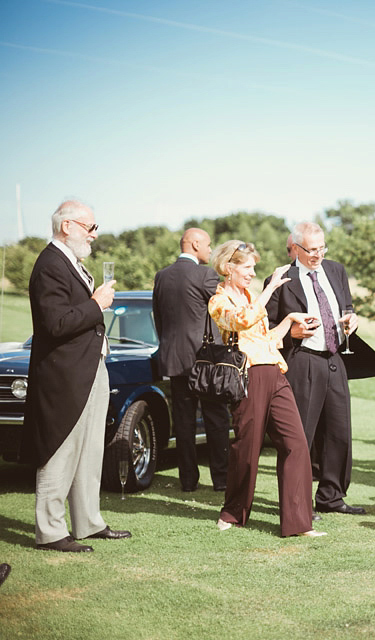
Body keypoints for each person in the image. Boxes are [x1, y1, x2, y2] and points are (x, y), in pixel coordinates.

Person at [22, 200, 131, 553]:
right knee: (61, 447)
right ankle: (51, 531)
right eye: (90, 227)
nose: (95, 235)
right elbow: (54, 323)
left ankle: (88, 522)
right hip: (64, 373)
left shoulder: (73, 263)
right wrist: (95, 304)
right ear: (67, 226)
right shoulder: (50, 265)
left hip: (90, 368)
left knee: (89, 449)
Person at [207, 240, 323, 537]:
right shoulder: (218, 301)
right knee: (247, 448)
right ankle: (232, 512)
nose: (251, 273)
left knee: (296, 444)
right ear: (228, 268)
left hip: (275, 372)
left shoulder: (248, 296)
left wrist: (288, 320)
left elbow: (265, 339)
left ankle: (299, 523)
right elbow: (241, 322)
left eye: (253, 268)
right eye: (247, 267)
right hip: (249, 376)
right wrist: (270, 289)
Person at [265, 222, 366, 515]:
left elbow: (346, 310)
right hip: (302, 361)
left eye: (322, 249)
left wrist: (352, 323)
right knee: (300, 437)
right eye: (311, 250)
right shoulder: (282, 278)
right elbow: (266, 326)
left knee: (339, 433)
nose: (317, 255)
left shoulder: (336, 271)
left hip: (335, 359)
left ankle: (331, 497)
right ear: (296, 248)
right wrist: (291, 333)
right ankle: (298, 504)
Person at [153, 228, 232, 492]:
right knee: (217, 419)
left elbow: (159, 320)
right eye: (208, 245)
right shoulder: (204, 274)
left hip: (174, 361)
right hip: (205, 362)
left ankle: (188, 480)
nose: (210, 250)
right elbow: (225, 310)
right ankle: (221, 479)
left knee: (184, 423)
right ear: (195, 244)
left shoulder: (161, 276)